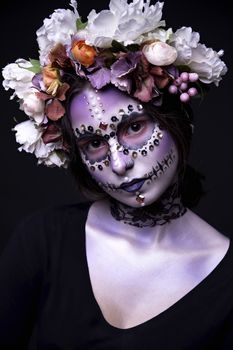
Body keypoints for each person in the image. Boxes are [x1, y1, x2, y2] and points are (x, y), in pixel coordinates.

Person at [1, 0, 232, 348]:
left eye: (134, 127)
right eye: (93, 143)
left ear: (178, 123)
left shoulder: (226, 281)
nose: (120, 163)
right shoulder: (43, 240)